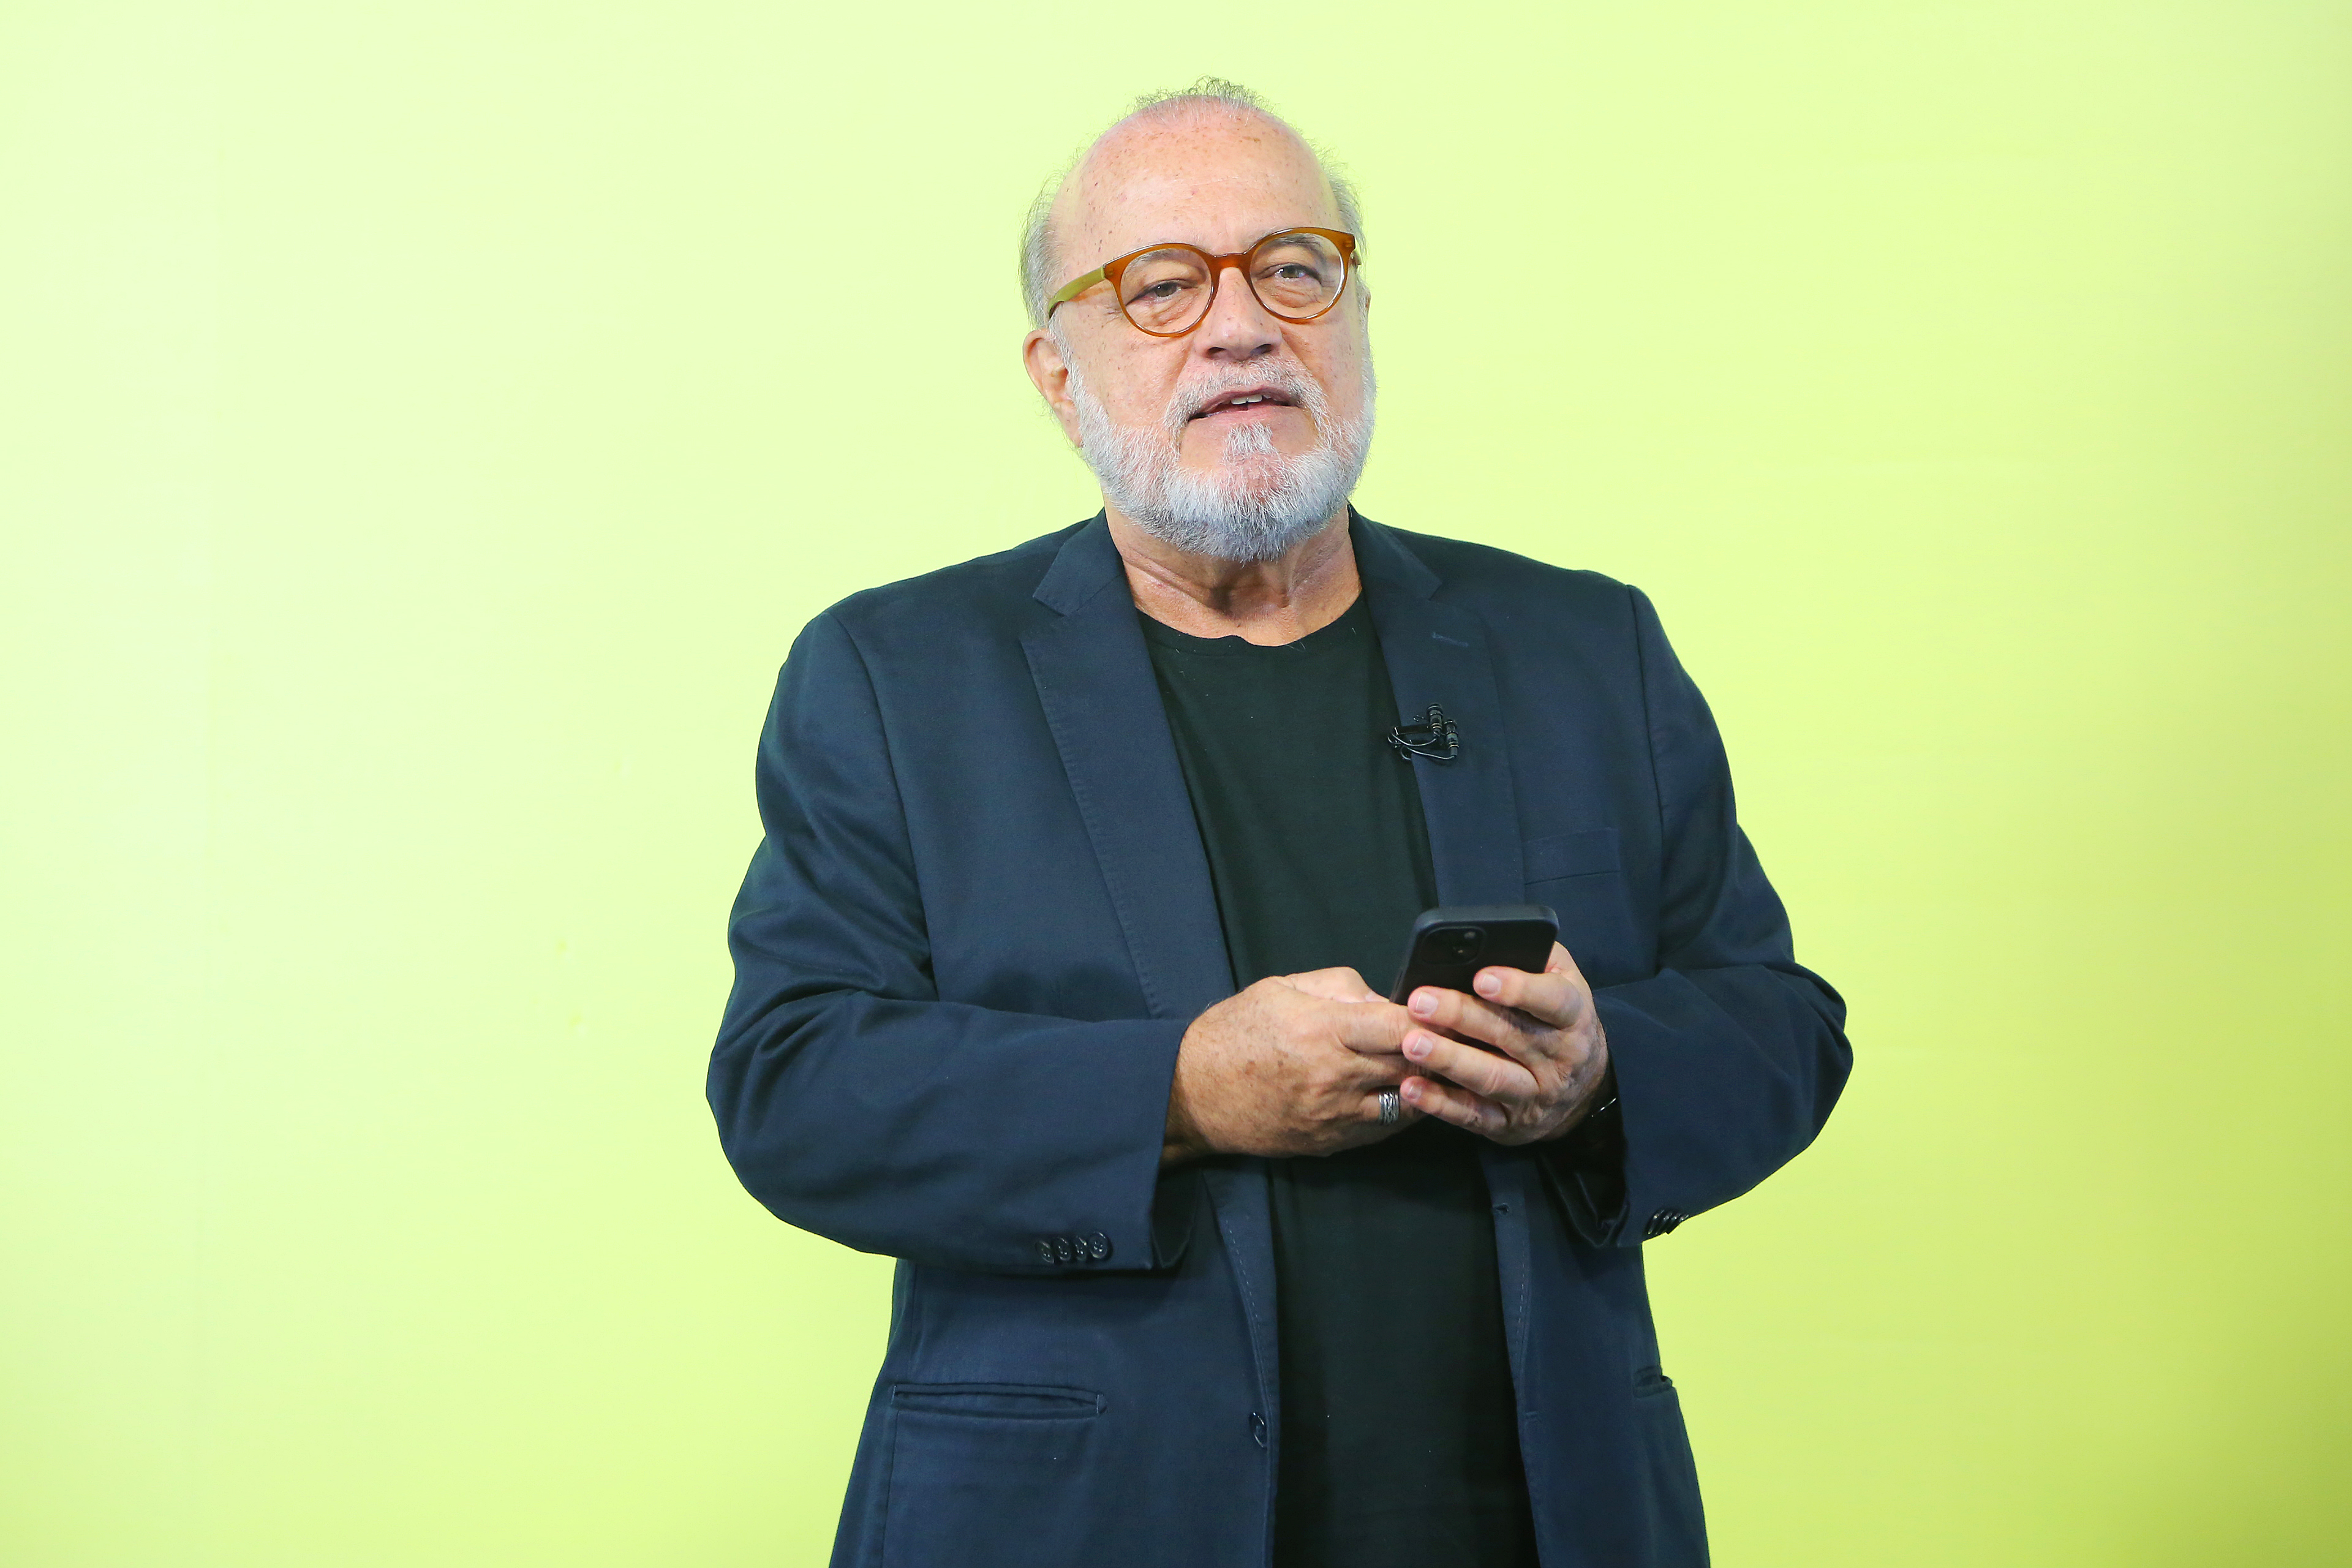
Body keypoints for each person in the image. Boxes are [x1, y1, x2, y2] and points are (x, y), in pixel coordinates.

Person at [708, 79, 1850, 1568]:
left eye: (1295, 268)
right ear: (1059, 375)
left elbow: (1779, 1025)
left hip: (1541, 1523)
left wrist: (1599, 1075)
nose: (1242, 326)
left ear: (1359, 313)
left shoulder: (1586, 648)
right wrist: (1181, 1090)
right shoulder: (894, 676)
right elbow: (795, 1085)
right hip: (1072, 1526)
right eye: (1162, 286)